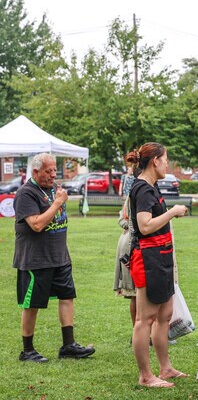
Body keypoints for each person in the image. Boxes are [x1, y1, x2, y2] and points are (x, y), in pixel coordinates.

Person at [13, 153, 95, 363]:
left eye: (54, 170)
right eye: (48, 171)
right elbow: (37, 224)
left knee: (67, 297)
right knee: (32, 304)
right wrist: (58, 203)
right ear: (35, 172)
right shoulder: (25, 193)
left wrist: (57, 200)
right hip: (35, 259)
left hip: (59, 256)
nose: (52, 175)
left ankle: (68, 345)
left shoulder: (53, 190)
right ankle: (27, 350)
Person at [126, 142, 188, 388]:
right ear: (155, 161)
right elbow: (145, 226)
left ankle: (166, 368)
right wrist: (172, 212)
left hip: (161, 257)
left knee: (164, 315)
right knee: (145, 319)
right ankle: (145, 376)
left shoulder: (152, 187)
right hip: (148, 260)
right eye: (165, 159)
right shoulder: (142, 189)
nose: (167, 164)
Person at [114, 198, 136, 326]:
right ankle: (140, 332)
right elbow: (122, 218)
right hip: (132, 244)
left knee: (137, 295)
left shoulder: (133, 192)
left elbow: (122, 218)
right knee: (137, 294)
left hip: (128, 241)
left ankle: (139, 331)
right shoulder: (140, 191)